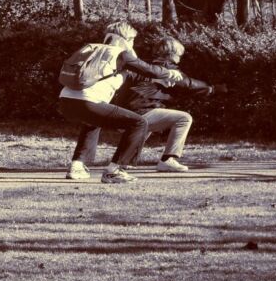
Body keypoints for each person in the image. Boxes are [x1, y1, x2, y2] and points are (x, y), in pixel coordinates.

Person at [57, 22, 183, 184]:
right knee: (139, 123)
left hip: (65, 101)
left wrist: (158, 78)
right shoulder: (121, 54)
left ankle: (77, 166)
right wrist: (169, 73)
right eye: (132, 40)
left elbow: (133, 74)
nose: (133, 44)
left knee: (92, 122)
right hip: (88, 101)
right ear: (125, 39)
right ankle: (115, 170)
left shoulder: (92, 48)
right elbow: (148, 69)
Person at [114, 36, 221, 172]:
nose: (180, 58)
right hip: (140, 113)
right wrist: (212, 89)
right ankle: (168, 160)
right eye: (179, 55)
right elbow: (188, 85)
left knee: (150, 121)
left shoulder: (143, 65)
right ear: (172, 55)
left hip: (122, 114)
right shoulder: (168, 69)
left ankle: (125, 160)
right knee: (184, 118)